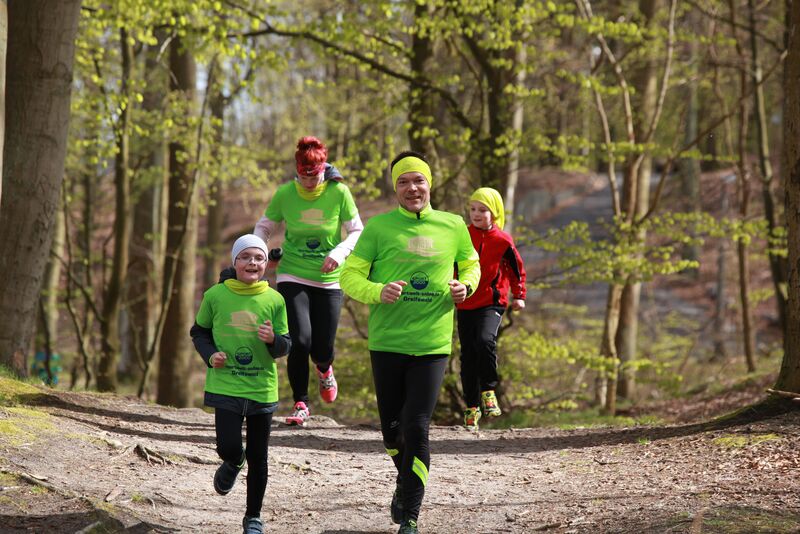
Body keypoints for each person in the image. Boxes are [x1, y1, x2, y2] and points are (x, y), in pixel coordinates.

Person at [340, 151, 480, 534]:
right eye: (404, 181)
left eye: (418, 180)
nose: (412, 188)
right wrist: (377, 291)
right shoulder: (379, 229)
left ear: (429, 185)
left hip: (432, 343)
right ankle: (404, 482)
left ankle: (412, 516)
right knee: (391, 432)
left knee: (417, 426)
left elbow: (470, 264)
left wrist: (464, 285)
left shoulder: (453, 225)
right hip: (387, 342)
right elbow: (349, 276)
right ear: (395, 188)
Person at [254, 136, 363, 426]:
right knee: (299, 340)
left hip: (329, 278)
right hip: (292, 272)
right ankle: (301, 402)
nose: (309, 181)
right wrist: (261, 251)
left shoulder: (339, 192)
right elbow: (264, 226)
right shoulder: (285, 193)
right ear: (297, 170)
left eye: (314, 175)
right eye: (303, 175)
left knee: (322, 347)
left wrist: (339, 253)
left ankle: (325, 369)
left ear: (323, 168)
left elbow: (356, 230)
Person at [190, 234, 291, 534]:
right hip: (226, 385)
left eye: (259, 258)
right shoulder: (215, 296)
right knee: (228, 446)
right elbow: (199, 333)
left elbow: (286, 345)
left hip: (261, 388)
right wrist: (210, 356)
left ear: (265, 264)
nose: (253, 262)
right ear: (235, 262)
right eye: (246, 257)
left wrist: (273, 340)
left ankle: (253, 517)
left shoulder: (275, 299)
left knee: (260, 458)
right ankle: (233, 462)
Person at [456, 187, 527, 431]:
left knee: (485, 341)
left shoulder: (502, 240)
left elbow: (516, 269)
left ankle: (488, 390)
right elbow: (452, 264)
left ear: (494, 213)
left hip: (492, 301)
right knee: (468, 355)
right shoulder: (463, 236)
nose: (476, 214)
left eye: (483, 210)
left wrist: (519, 295)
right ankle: (471, 407)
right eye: (473, 209)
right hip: (465, 301)